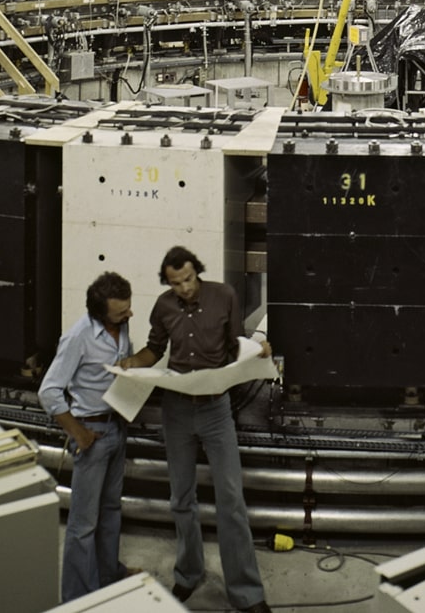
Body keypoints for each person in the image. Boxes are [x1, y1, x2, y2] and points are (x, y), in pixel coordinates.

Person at [120, 246, 271, 613]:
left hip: (216, 410)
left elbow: (236, 347)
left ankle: (246, 593)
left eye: (188, 279)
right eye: (175, 283)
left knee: (231, 500)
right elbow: (154, 349)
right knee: (181, 498)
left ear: (196, 271)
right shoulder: (164, 305)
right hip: (176, 409)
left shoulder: (225, 296)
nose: (184, 288)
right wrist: (130, 364)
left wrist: (260, 349)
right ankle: (188, 574)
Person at [38, 271, 137, 602]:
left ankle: (108, 577)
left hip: (117, 427)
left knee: (111, 510)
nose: (129, 315)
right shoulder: (78, 337)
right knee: (83, 525)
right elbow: (49, 392)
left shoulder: (120, 327)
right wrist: (78, 433)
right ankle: (79, 598)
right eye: (122, 312)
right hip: (92, 433)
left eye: (128, 308)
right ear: (100, 313)